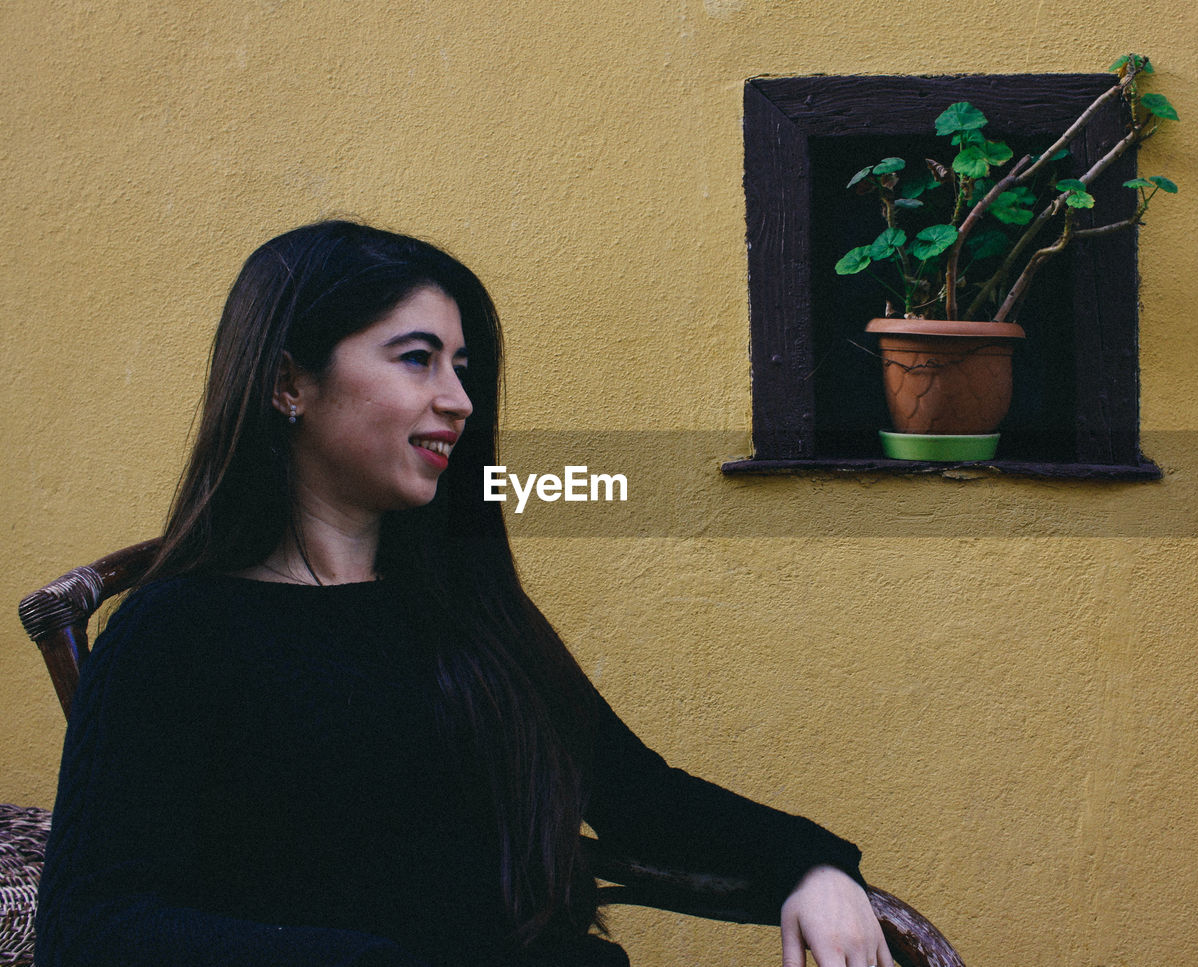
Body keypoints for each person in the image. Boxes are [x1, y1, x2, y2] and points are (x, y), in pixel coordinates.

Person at [35, 220, 892, 967]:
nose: (458, 400)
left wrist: (812, 864)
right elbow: (95, 927)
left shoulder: (468, 611)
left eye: (463, 367)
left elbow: (639, 797)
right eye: (417, 360)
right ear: (289, 382)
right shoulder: (172, 634)